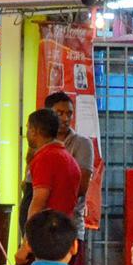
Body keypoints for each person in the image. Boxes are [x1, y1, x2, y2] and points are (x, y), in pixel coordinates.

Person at [21, 107, 83, 232]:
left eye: (28, 128)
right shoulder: (66, 157)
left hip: (47, 235)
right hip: (60, 231)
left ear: (34, 131)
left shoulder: (46, 158)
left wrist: (28, 241)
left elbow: (38, 202)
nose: (26, 133)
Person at [44, 90, 95, 228]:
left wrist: (46, 191)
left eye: (69, 114)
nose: (65, 118)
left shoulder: (82, 143)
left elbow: (81, 188)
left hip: (71, 226)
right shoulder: (41, 144)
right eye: (59, 113)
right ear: (48, 115)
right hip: (42, 226)